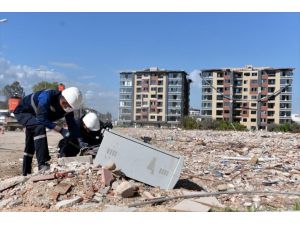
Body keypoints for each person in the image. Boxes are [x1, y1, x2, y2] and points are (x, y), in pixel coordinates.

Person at [14, 87, 83, 176]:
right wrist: (61, 130)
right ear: (63, 98)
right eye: (65, 104)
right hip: (23, 112)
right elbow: (41, 119)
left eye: (70, 107)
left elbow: (72, 125)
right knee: (39, 127)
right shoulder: (46, 97)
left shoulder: (68, 107)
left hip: (35, 116)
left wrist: (80, 141)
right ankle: (42, 164)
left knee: (30, 144)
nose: (66, 107)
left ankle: (26, 173)